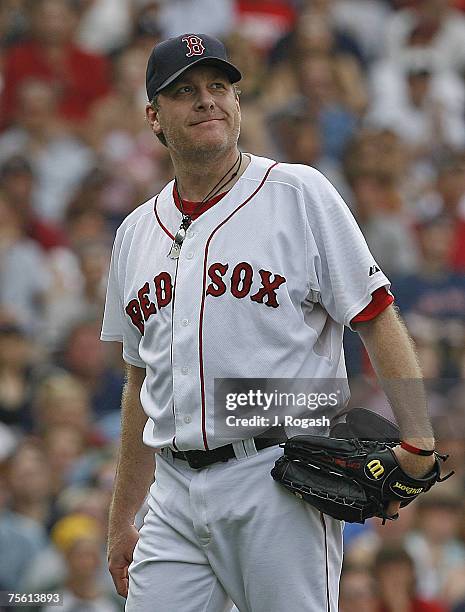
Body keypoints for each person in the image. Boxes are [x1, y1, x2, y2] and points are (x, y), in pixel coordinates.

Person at [101, 33, 438, 612]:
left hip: (276, 473)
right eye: (185, 92)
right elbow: (140, 381)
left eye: (218, 87)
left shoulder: (299, 192)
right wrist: (121, 518)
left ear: (238, 102)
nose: (206, 100)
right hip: (173, 490)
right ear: (154, 118)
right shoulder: (135, 232)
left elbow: (376, 316)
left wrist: (419, 438)